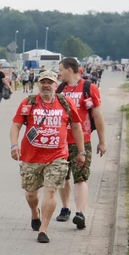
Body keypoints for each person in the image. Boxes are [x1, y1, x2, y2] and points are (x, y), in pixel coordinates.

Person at [9, 70, 85, 244]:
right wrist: (14, 145)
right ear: (38, 84)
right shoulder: (28, 103)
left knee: (51, 191)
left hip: (57, 156)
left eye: (49, 82)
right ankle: (35, 213)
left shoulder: (65, 103)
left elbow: (76, 127)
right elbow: (16, 125)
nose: (46, 85)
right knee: (31, 194)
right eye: (43, 82)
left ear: (55, 85)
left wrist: (81, 151)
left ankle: (43, 229)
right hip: (31, 156)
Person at [55, 57, 107, 228]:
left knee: (80, 177)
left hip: (82, 142)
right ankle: (65, 208)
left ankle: (80, 213)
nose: (59, 73)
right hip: (61, 142)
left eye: (61, 69)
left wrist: (102, 141)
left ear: (69, 70)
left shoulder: (89, 88)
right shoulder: (60, 89)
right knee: (63, 176)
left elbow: (98, 116)